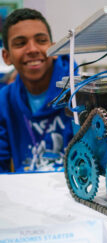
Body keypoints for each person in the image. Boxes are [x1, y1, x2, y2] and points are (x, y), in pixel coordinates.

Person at [0, 8, 74, 172]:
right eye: (20, 43)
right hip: (27, 194)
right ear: (7, 56)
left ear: (55, 49)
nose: (32, 49)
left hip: (75, 192)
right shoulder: (4, 101)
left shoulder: (81, 92)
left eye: (41, 41)